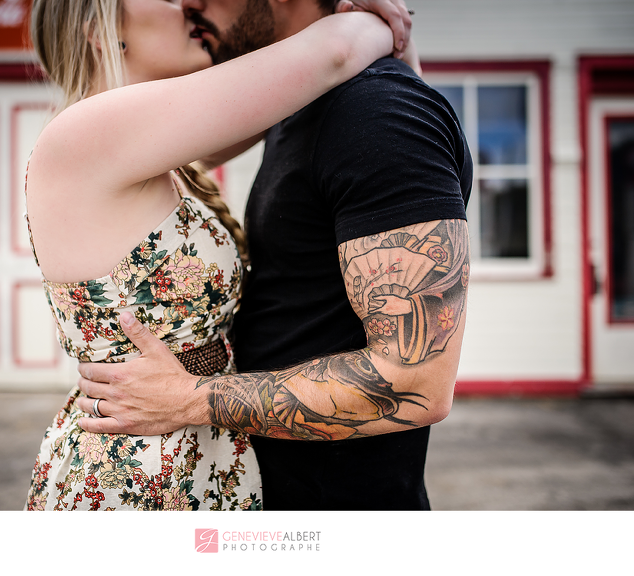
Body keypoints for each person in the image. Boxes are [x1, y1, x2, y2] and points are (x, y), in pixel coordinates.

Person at [76, 0, 473, 511]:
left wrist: (189, 398)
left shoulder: (377, 111)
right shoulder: (301, 106)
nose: (189, 3)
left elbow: (415, 383)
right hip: (256, 495)